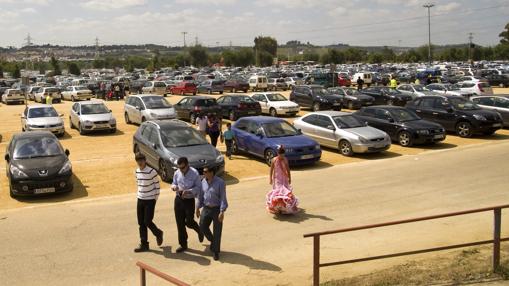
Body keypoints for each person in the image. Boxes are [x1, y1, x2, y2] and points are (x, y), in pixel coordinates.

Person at [171, 157, 204, 253]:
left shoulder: (194, 173)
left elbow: (198, 188)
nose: (181, 170)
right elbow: (173, 183)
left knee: (189, 221)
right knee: (180, 223)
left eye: (183, 167)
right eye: (179, 168)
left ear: (187, 164)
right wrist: (174, 187)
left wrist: (188, 191)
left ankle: (199, 230)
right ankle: (183, 244)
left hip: (189, 200)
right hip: (178, 200)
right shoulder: (177, 173)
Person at [196, 167, 228, 261]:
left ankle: (216, 251)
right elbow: (200, 196)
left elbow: (223, 197)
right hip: (206, 208)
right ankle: (214, 242)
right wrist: (197, 208)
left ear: (211, 172)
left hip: (217, 209)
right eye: (203, 171)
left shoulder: (220, 182)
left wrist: (222, 211)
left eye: (205, 172)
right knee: (202, 226)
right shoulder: (203, 182)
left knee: (217, 231)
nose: (204, 173)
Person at [134, 153, 163, 252]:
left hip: (150, 200)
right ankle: (144, 244)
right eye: (138, 161)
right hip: (140, 199)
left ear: (145, 160)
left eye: (141, 160)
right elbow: (139, 184)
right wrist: (139, 195)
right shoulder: (137, 171)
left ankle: (158, 233)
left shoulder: (152, 172)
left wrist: (154, 200)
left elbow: (157, 187)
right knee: (141, 223)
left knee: (147, 221)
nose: (140, 162)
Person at [266, 146, 299, 214]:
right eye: (280, 154)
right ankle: (277, 208)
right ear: (278, 153)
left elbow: (288, 169)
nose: (282, 156)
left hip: (284, 179)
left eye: (283, 154)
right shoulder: (274, 160)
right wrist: (270, 179)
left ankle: (285, 207)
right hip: (277, 179)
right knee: (278, 193)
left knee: (285, 192)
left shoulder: (285, 160)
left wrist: (289, 178)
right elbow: (271, 170)